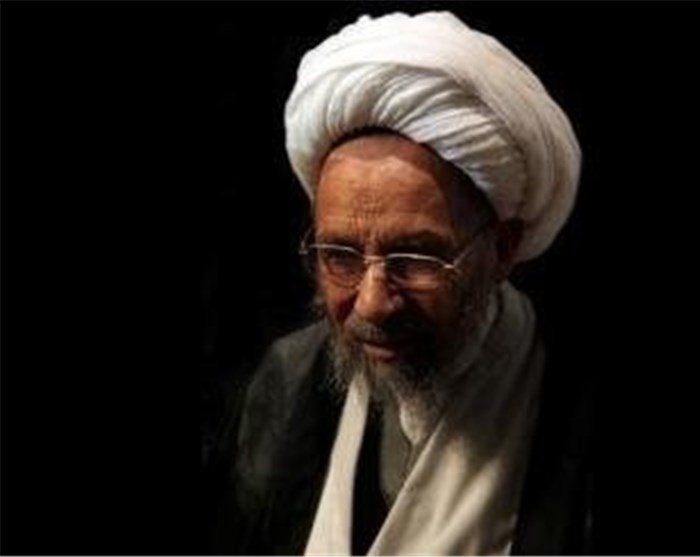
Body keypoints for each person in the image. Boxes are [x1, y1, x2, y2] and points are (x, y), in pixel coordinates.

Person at [204, 10, 591, 555]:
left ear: (502, 249)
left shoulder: (575, 411)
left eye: (414, 258)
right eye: (340, 255)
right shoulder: (287, 381)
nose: (372, 303)